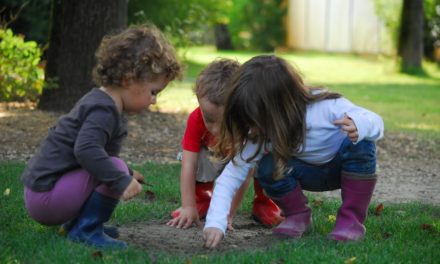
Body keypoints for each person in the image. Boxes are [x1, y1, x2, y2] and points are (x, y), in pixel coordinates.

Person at [21, 24, 182, 249]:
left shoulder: (105, 104)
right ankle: (86, 230)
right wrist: (120, 178)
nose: (154, 100)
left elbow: (94, 156)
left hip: (43, 192)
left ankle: (78, 224)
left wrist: (127, 172)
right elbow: (86, 151)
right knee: (113, 167)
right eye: (153, 91)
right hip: (46, 198)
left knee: (114, 166)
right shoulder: (103, 110)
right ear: (128, 79)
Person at [202, 55, 384, 248]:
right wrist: (215, 223)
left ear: (277, 109)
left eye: (254, 119)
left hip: (345, 169)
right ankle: (298, 216)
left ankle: (350, 222)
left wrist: (359, 125)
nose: (250, 128)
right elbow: (230, 177)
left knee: (362, 144)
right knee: (267, 166)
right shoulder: (261, 133)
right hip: (306, 173)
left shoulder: (327, 107)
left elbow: (375, 120)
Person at [166, 58, 283, 230]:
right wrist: (188, 206)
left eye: (225, 122)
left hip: (243, 161)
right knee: (197, 158)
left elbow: (244, 173)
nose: (215, 129)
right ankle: (202, 200)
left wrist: (228, 214)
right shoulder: (196, 120)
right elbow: (188, 165)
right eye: (209, 119)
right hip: (216, 157)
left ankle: (264, 203)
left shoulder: (249, 127)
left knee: (266, 162)